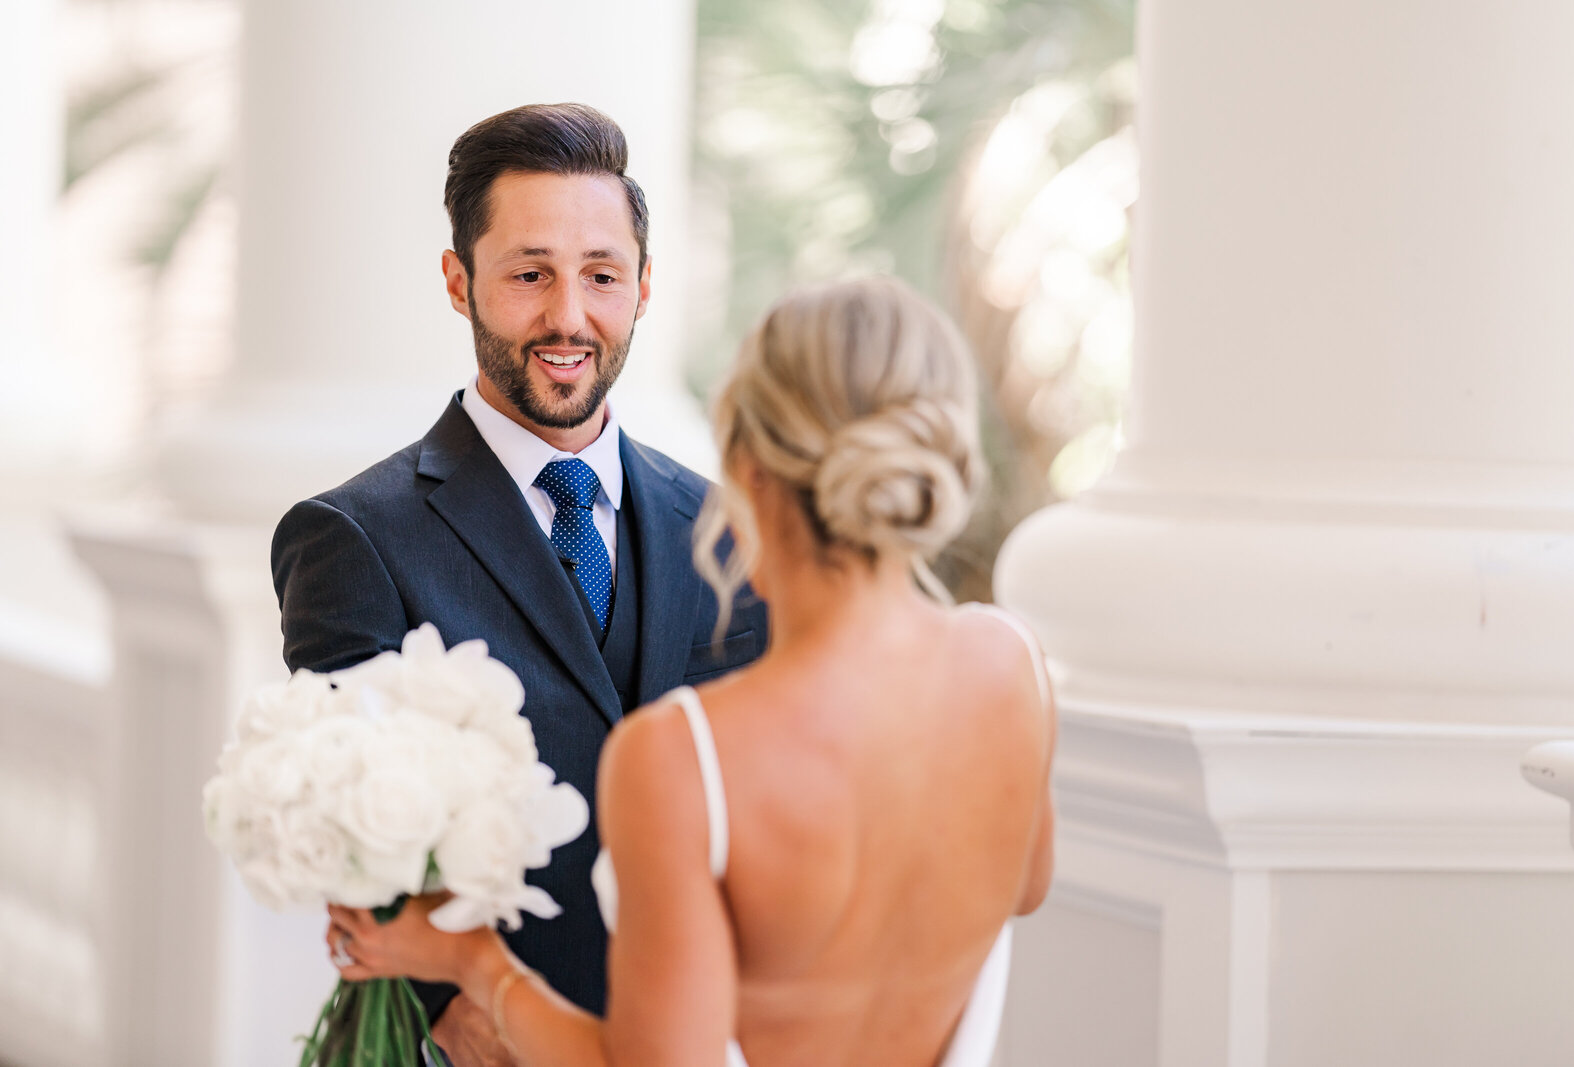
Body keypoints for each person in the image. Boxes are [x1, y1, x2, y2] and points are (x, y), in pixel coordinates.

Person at [325, 276, 1057, 1066]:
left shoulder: (686, 757)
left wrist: (478, 963)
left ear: (747, 466)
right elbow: (1026, 886)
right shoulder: (1012, 666)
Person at [272, 103, 768, 1065]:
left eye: (600, 276)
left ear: (645, 285)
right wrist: (449, 1019)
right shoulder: (352, 536)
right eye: (529, 275)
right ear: (460, 281)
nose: (568, 317)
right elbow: (351, 825)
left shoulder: (730, 530)